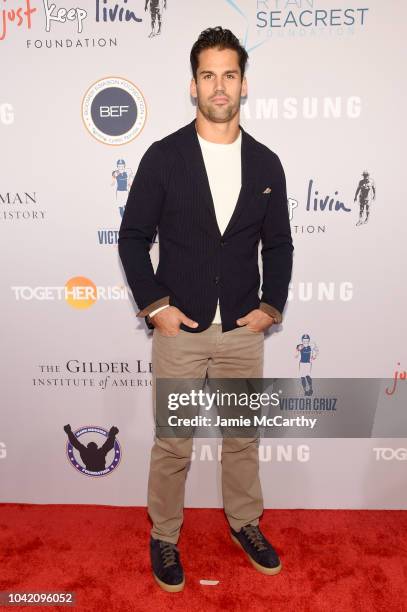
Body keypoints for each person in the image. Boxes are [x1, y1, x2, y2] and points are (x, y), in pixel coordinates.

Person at [118, 26, 294, 592]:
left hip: (243, 329)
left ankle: (246, 523)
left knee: (242, 439)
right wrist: (154, 306)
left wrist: (272, 305)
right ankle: (164, 535)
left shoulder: (266, 163)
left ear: (245, 84)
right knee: (174, 441)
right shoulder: (164, 156)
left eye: (230, 75)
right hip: (181, 331)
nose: (220, 86)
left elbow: (280, 245)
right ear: (192, 85)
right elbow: (132, 237)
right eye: (209, 75)